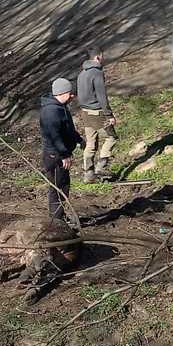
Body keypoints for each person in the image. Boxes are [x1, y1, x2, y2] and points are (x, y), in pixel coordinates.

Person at [40, 77, 82, 221]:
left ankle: (60, 217)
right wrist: (64, 155)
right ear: (62, 93)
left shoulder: (60, 107)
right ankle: (57, 221)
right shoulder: (51, 112)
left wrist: (79, 139)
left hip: (60, 154)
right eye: (70, 94)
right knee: (57, 189)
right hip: (55, 156)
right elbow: (55, 136)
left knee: (63, 186)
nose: (72, 96)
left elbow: (67, 129)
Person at [76, 49, 116, 182]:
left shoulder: (82, 73)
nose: (103, 59)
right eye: (102, 57)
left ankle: (88, 174)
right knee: (111, 138)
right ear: (97, 57)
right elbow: (102, 96)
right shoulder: (97, 73)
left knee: (91, 143)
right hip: (97, 112)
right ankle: (101, 168)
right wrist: (109, 115)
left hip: (85, 113)